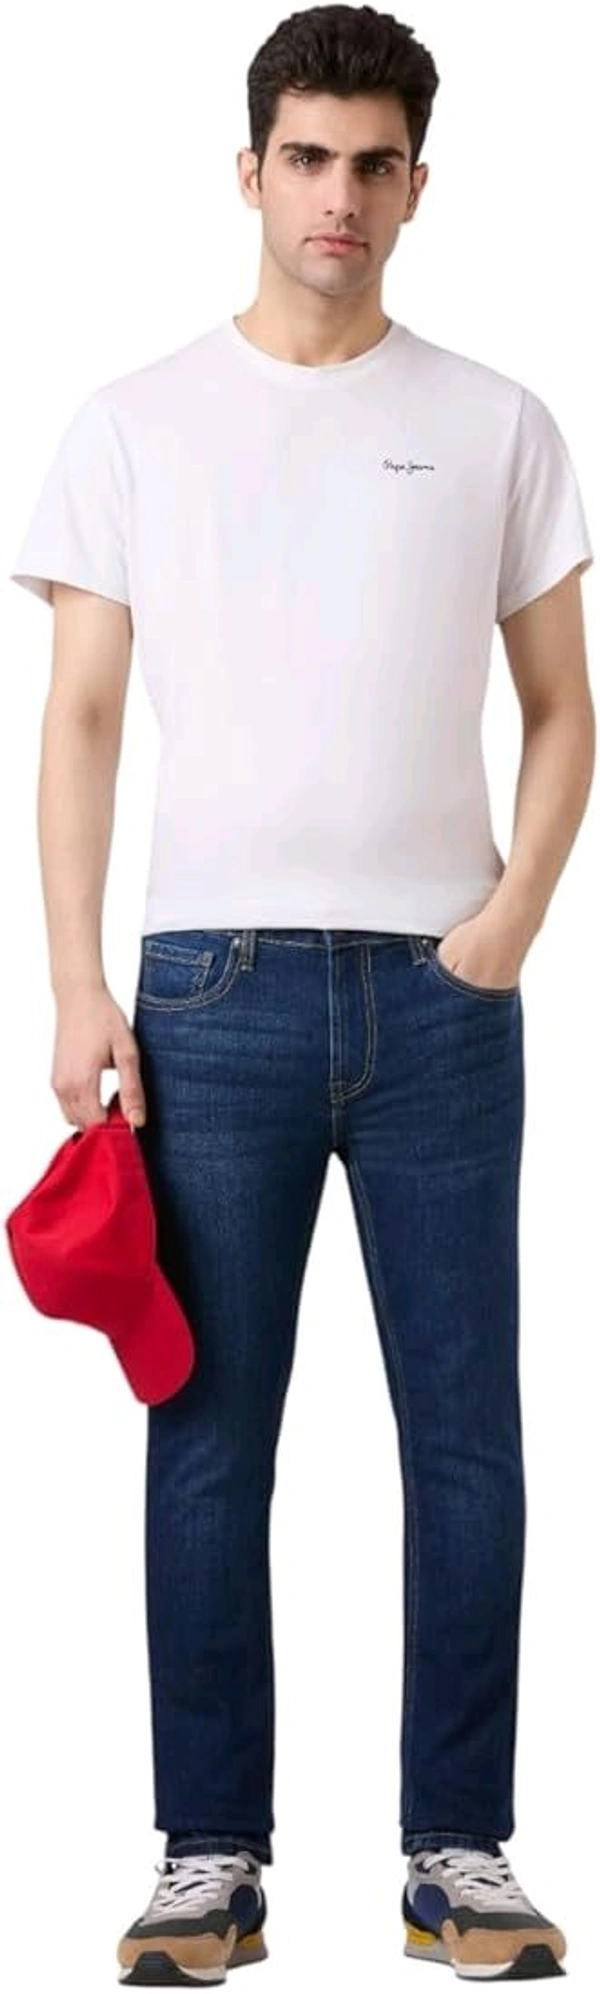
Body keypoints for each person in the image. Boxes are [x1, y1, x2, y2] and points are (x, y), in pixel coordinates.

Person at [9, 7, 594, 1984]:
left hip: (445, 1000)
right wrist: (76, 981)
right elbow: (81, 718)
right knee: (206, 1436)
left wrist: (509, 920)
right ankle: (209, 1858)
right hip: (212, 994)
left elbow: (564, 706)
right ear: (249, 171)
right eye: (309, 157)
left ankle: (459, 1850)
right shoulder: (134, 421)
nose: (339, 194)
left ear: (418, 185)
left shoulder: (501, 420)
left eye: (375, 163)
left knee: (469, 1438)